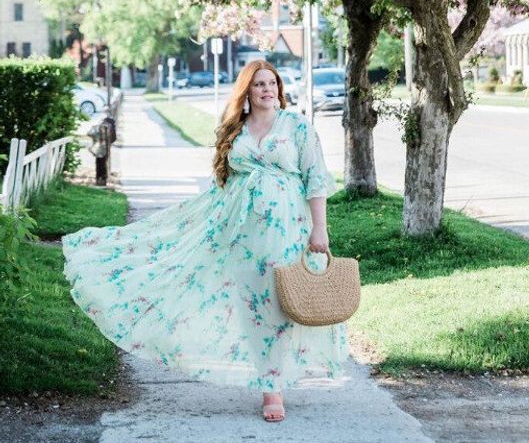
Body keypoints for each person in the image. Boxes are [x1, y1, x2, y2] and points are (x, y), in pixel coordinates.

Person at [63, 60, 347, 423]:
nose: (267, 90)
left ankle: (275, 383)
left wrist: (319, 229)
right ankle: (269, 384)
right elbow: (222, 184)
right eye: (259, 84)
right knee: (252, 305)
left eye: (271, 83)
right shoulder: (236, 130)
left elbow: (315, 179)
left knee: (280, 302)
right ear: (247, 92)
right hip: (241, 234)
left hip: (288, 228)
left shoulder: (296, 126)